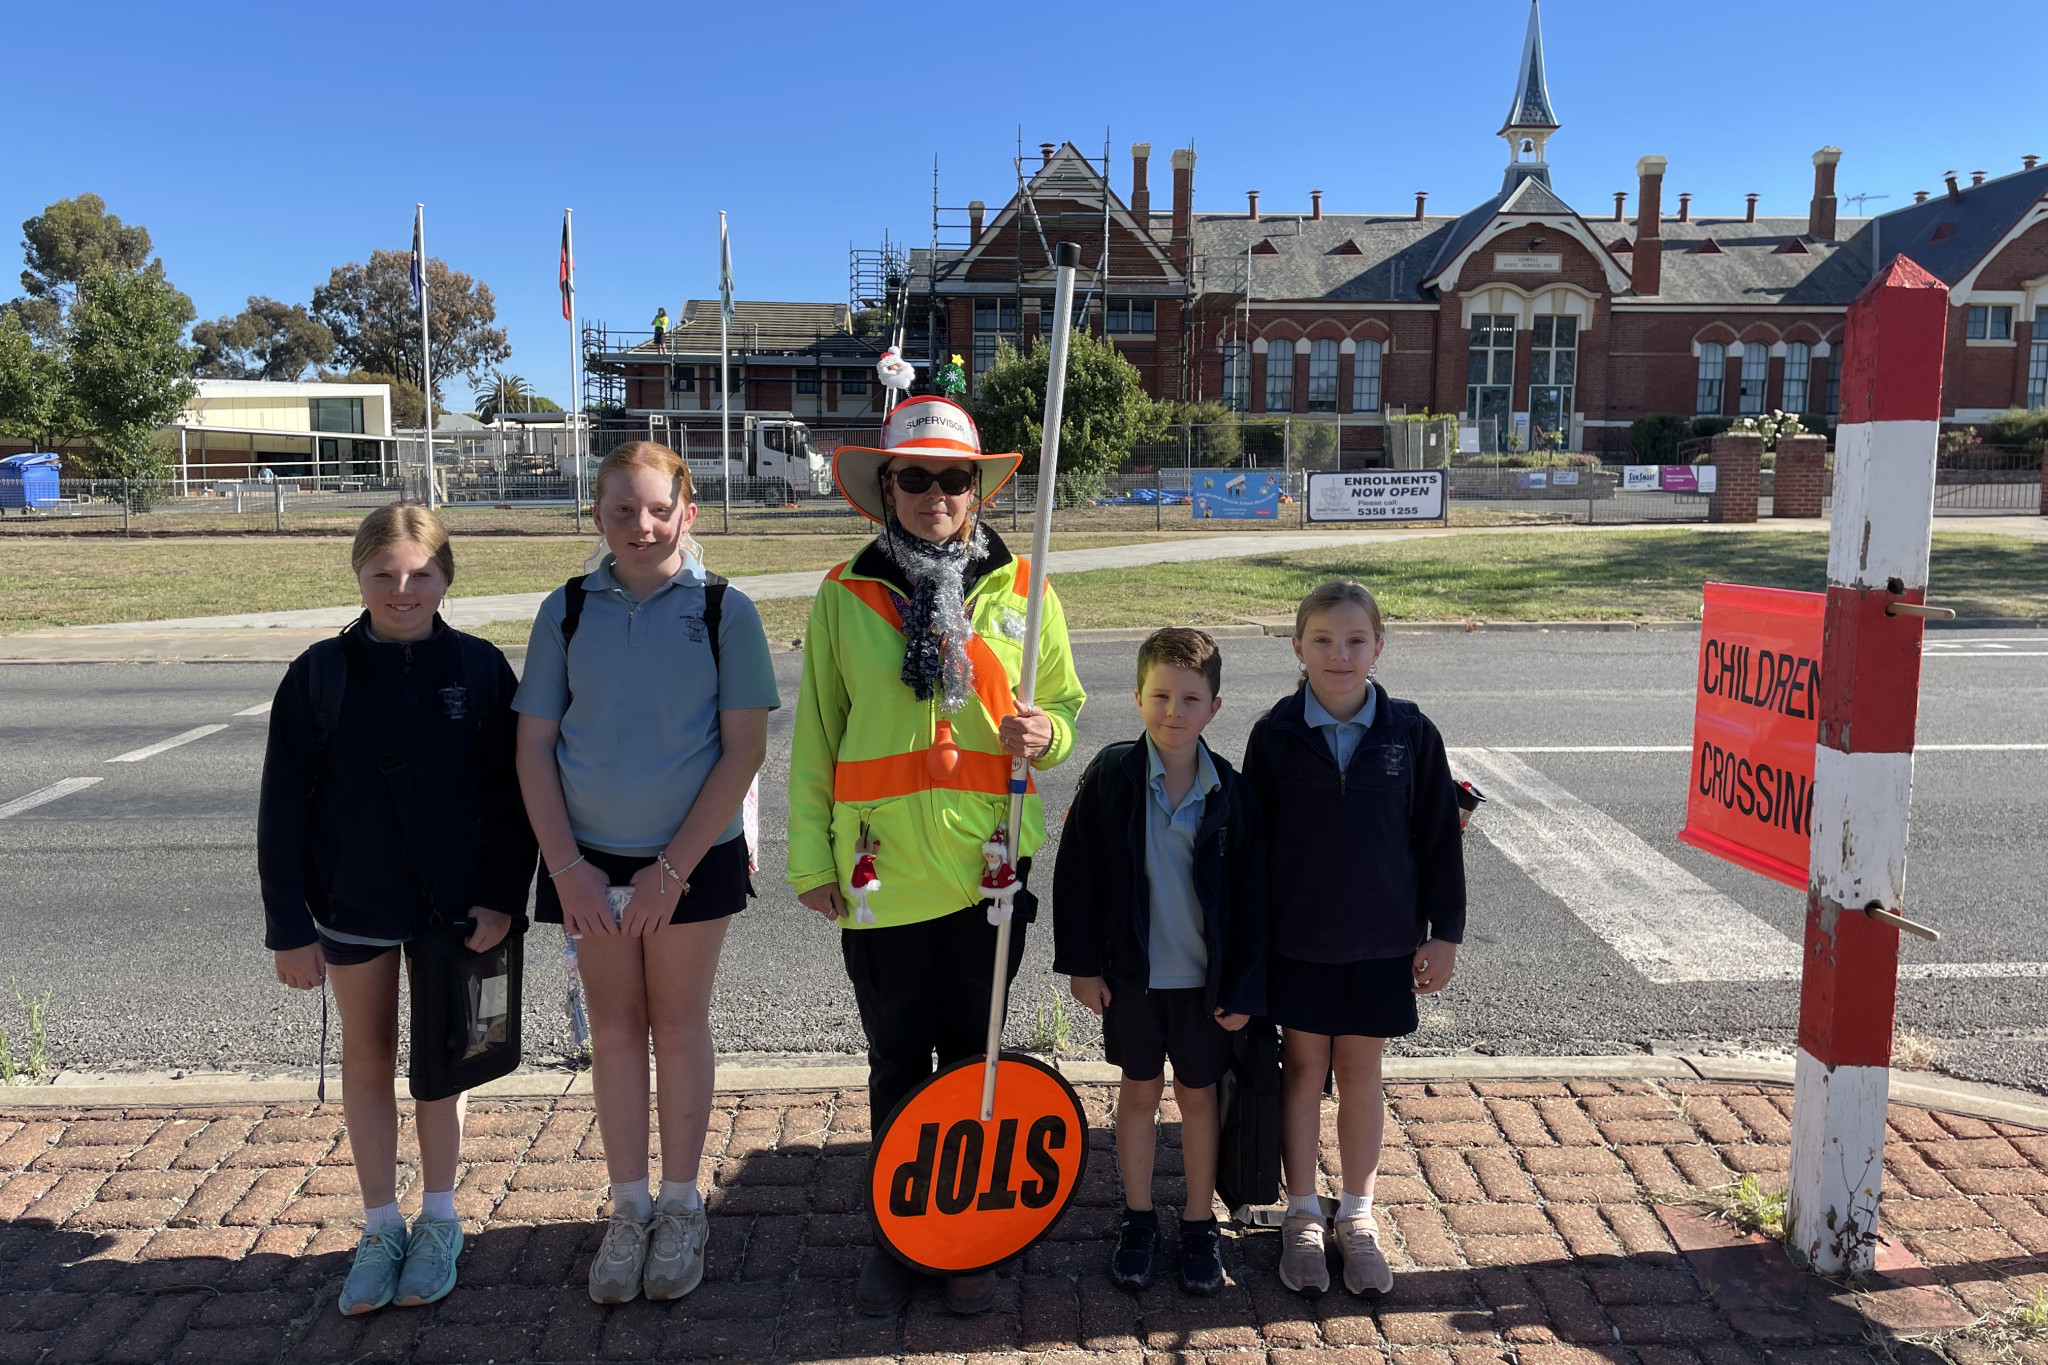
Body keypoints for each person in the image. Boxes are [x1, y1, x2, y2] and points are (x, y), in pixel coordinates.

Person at [787, 395, 1086, 1317]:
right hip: (881, 880)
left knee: (976, 1063)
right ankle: (898, 1233)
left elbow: (1067, 711)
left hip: (987, 876)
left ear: (977, 489)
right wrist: (809, 861)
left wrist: (1050, 733)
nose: (935, 494)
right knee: (896, 1065)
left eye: (955, 477)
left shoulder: (1025, 588)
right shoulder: (844, 595)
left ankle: (966, 1235)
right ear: (886, 487)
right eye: (914, 477)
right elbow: (816, 738)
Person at [513, 441, 778, 1305]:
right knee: (615, 1030)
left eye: (659, 507)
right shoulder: (564, 612)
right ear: (596, 516)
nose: (642, 524)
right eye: (622, 509)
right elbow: (534, 747)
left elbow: (743, 749)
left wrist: (671, 870)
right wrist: (568, 869)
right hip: (585, 862)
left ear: (688, 513)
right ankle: (628, 1207)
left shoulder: (722, 610)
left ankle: (681, 1201)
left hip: (691, 859)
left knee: (677, 1024)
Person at [258, 504, 536, 1316]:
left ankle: (440, 1215)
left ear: (448, 578)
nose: (403, 589)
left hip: (458, 913)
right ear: (358, 574)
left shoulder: (482, 670)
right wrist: (289, 926)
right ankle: (380, 1223)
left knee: (442, 1067)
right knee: (368, 1056)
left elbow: (514, 798)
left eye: (420, 574)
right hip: (352, 905)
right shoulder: (319, 674)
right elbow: (283, 808)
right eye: (384, 573)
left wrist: (500, 900)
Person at [1239, 580, 1466, 1298]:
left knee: (1362, 1074)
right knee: (1303, 1070)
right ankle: (1304, 1211)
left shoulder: (1410, 733)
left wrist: (1445, 934)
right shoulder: (1275, 734)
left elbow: (1437, 842)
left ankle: (1358, 1214)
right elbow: (1251, 850)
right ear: (1298, 646)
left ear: (1379, 646)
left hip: (1381, 942)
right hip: (1300, 940)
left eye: (1355, 640)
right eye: (1323, 640)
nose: (1340, 654)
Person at [1052, 628, 1266, 1296]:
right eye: (1161, 695)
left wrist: (1245, 984)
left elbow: (1255, 897)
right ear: (1138, 697)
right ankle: (1139, 1216)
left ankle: (1199, 1221)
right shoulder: (1112, 777)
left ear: (1214, 707)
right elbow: (1076, 876)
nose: (1174, 710)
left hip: (1205, 987)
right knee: (1139, 1094)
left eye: (1190, 698)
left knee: (1199, 1100)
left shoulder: (1230, 791)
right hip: (1133, 981)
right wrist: (1083, 964)